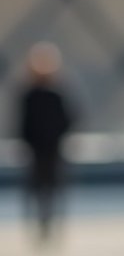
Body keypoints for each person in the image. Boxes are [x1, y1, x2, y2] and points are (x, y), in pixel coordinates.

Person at [15, 41, 75, 244]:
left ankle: (48, 224)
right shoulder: (35, 95)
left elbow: (67, 119)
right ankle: (43, 224)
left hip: (47, 148)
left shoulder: (43, 95)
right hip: (41, 148)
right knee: (42, 188)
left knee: (48, 188)